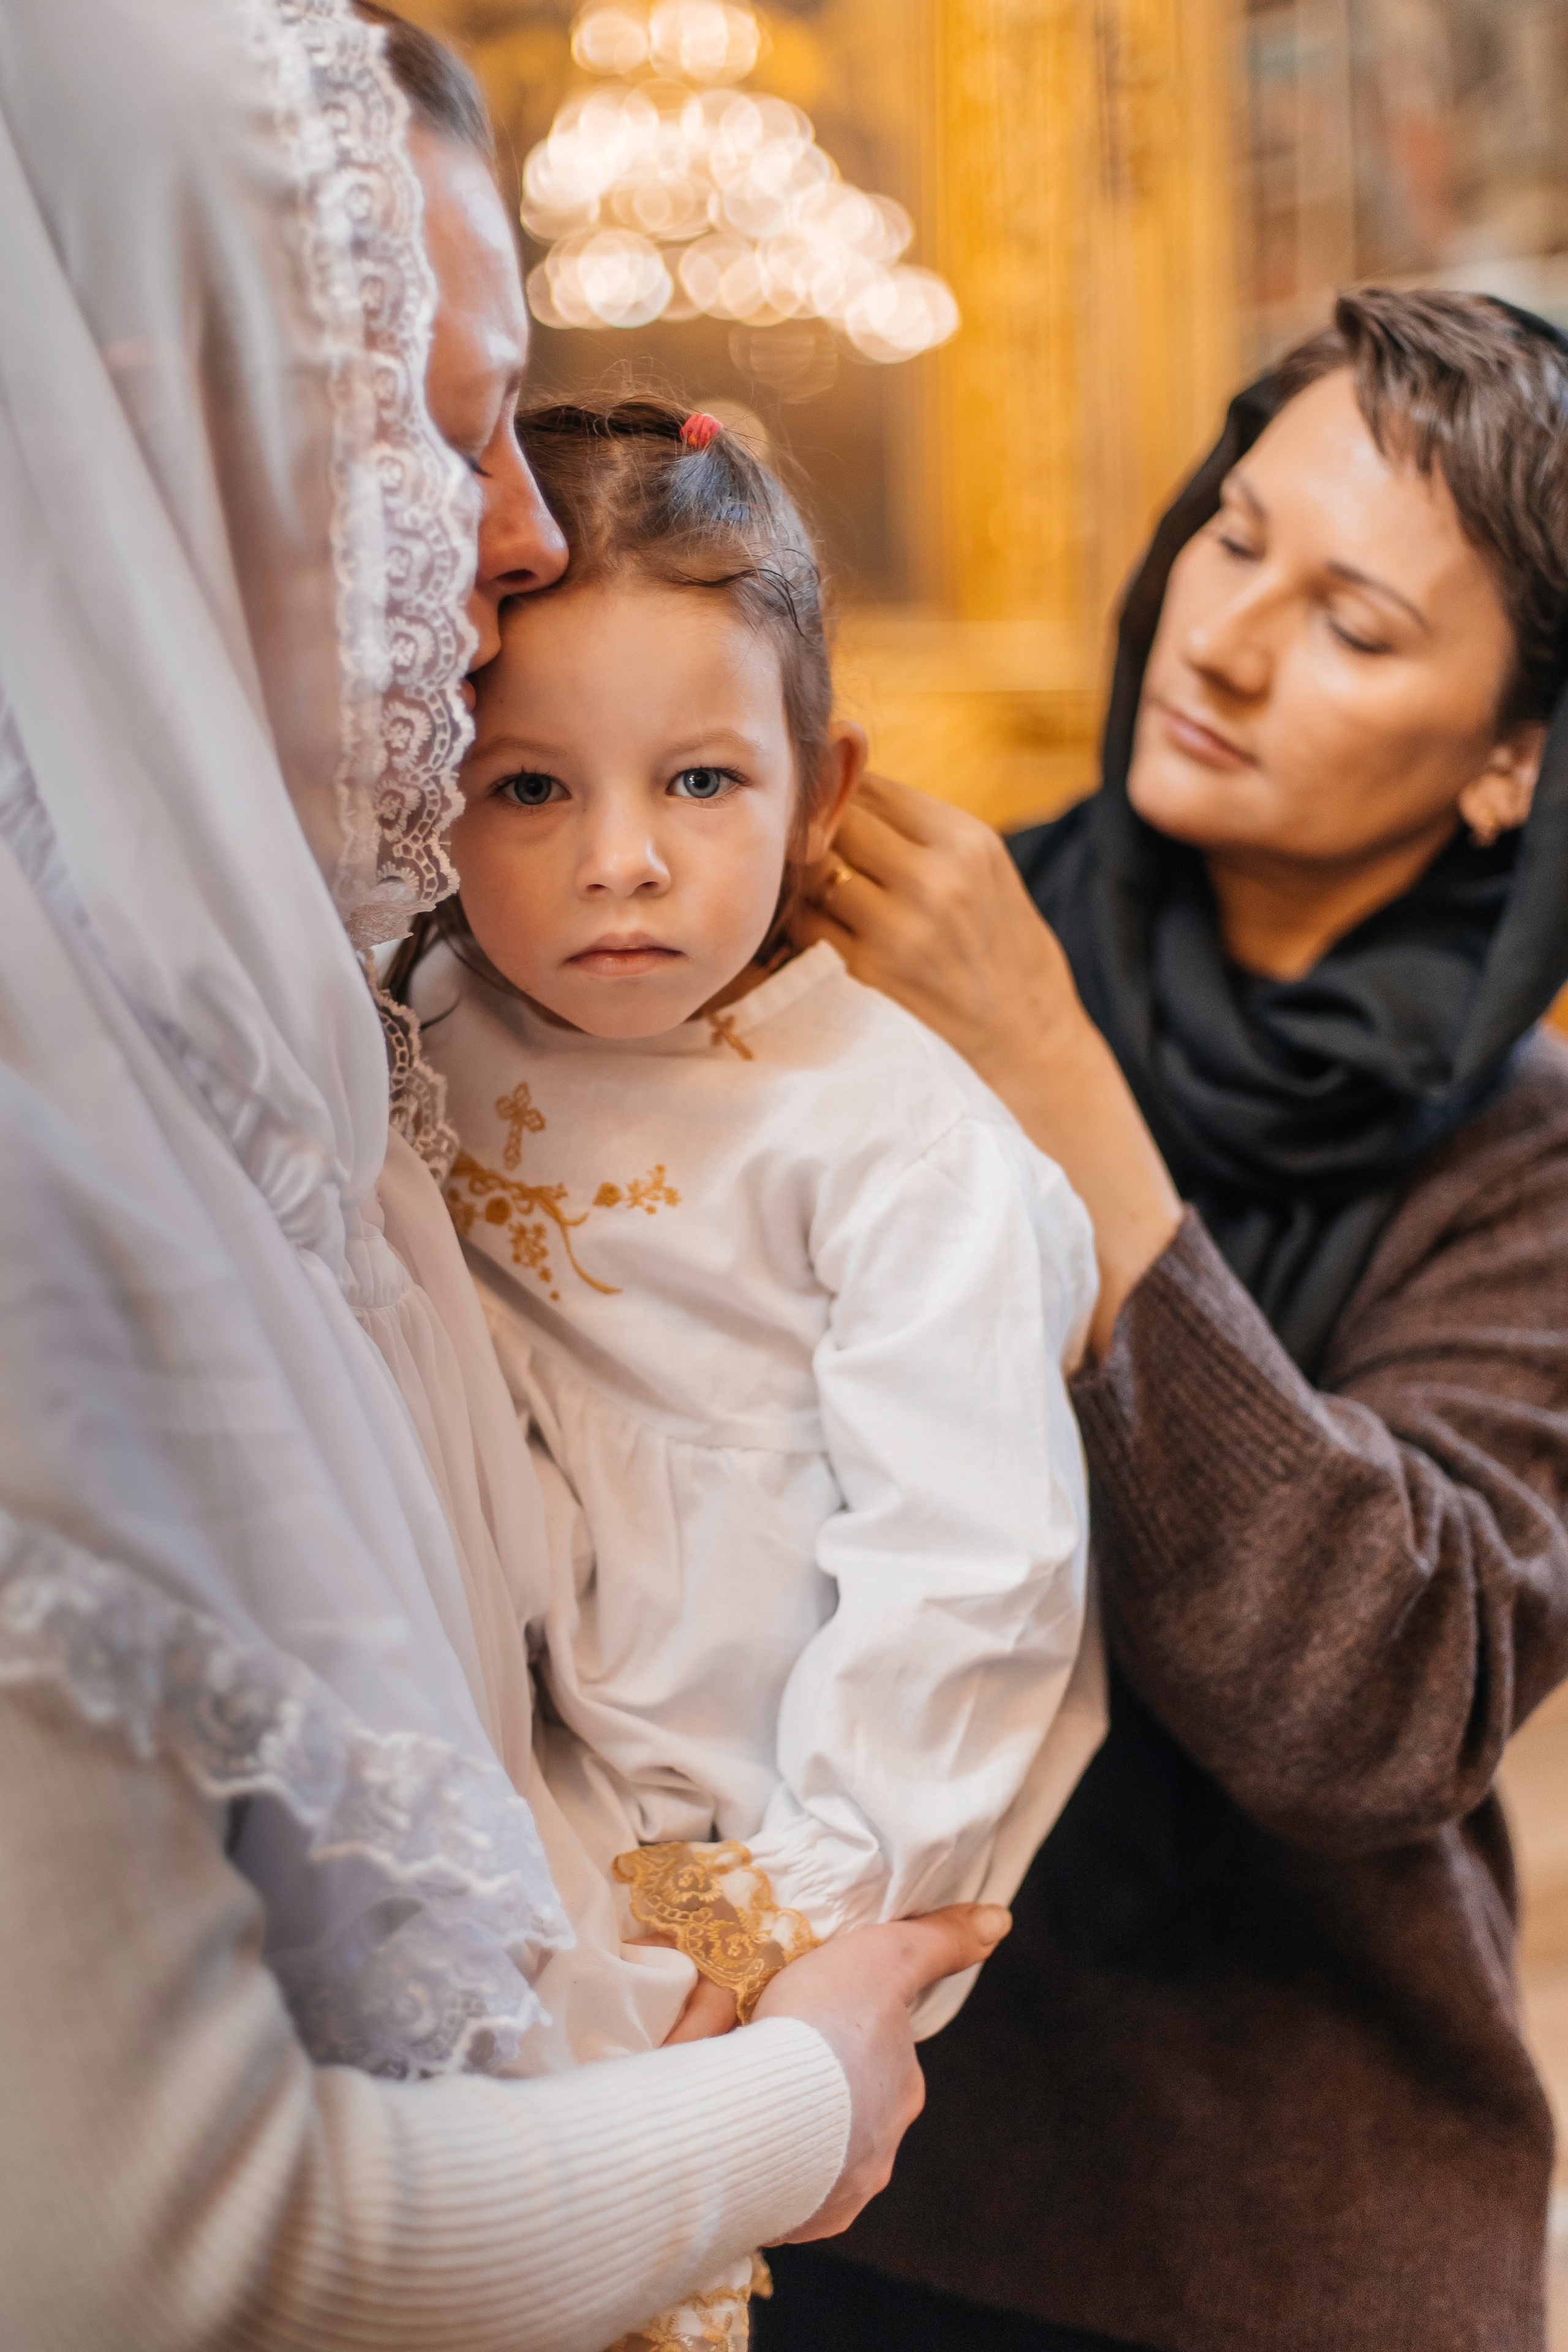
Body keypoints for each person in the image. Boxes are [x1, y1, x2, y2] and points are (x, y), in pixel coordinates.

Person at [0, 4, 1006, 2347]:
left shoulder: (306, 1045)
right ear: (172, 426)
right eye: (449, 433)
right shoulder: (70, 1169)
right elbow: (175, 2244)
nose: (530, 532)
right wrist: (786, 2097)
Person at [759, 290, 1568, 2352]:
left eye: (1355, 625)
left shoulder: (1525, 1161)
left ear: (1512, 762)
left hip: (1272, 2223)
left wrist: (1063, 1092)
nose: (1224, 640)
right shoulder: (901, 941)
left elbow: (1378, 1701)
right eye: (1233, 535)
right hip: (824, 2141)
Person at [398, 391, 1106, 2343]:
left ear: (820, 786)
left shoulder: (887, 1135)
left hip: (761, 1821)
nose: (619, 863)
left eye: (701, 781)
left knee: (661, 2235)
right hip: (504, 1758)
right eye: (529, 790)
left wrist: (808, 1899)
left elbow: (971, 1567)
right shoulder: (418, 1025)